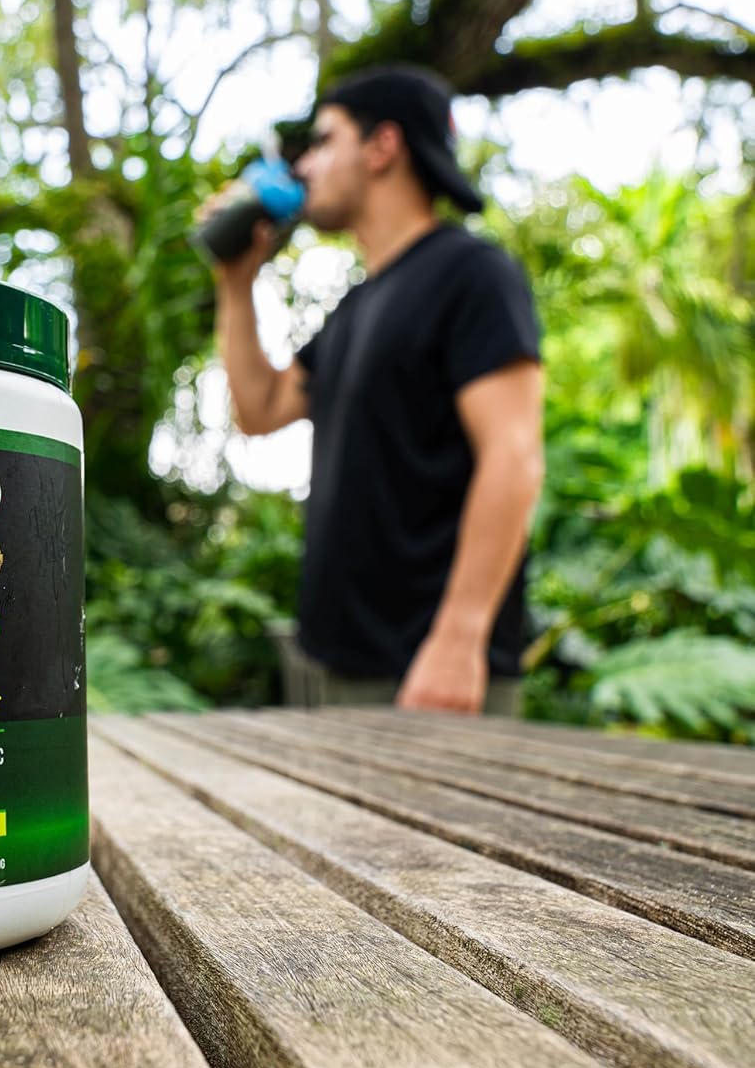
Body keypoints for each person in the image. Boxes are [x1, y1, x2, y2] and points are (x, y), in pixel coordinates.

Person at [206, 64, 543, 715]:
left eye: (323, 140)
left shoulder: (474, 274)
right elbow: (261, 409)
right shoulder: (352, 310)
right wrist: (236, 283)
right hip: (342, 664)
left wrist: (459, 639)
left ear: (382, 146)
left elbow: (514, 457)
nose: (304, 165)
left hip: (432, 673)